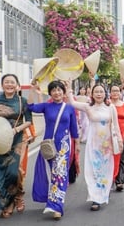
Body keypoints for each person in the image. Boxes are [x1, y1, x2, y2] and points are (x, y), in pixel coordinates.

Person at [28, 80, 79, 220]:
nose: (57, 92)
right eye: (54, 90)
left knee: (60, 175)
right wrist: (33, 89)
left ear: (63, 92)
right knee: (50, 173)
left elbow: (74, 129)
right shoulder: (46, 106)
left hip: (63, 147)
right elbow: (30, 106)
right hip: (48, 146)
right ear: (50, 93)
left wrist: (78, 146)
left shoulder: (69, 108)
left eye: (59, 90)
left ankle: (57, 207)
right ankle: (50, 199)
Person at [68, 83, 122, 211]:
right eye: (96, 92)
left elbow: (116, 125)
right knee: (92, 170)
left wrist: (119, 140)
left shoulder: (111, 108)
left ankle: (103, 192)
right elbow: (72, 103)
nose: (98, 94)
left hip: (106, 145)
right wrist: (69, 88)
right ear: (92, 94)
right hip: (93, 144)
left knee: (106, 169)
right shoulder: (88, 107)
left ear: (105, 94)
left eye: (101, 92)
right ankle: (95, 198)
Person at [0, 74, 33, 218]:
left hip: (17, 140)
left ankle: (14, 200)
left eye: (12, 82)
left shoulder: (22, 101)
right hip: (0, 141)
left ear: (17, 85)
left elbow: (29, 121)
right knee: (0, 174)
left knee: (14, 172)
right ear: (2, 85)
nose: (9, 84)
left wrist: (15, 130)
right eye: (6, 82)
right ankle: (6, 203)